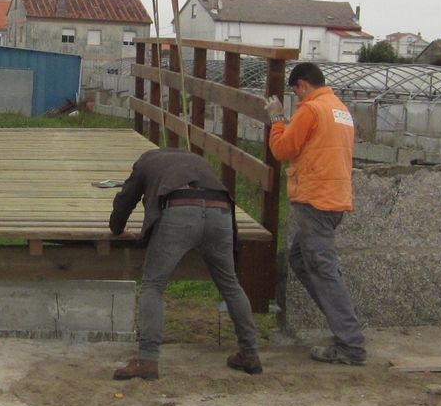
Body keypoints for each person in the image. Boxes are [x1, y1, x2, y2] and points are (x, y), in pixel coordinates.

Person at [109, 148, 262, 381]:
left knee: (153, 285)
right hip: (221, 212)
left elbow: (126, 199)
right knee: (231, 285)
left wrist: (117, 229)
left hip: (179, 211)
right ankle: (250, 353)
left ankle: (147, 358)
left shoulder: (146, 161)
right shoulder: (198, 160)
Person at [265, 62, 366, 366]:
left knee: (322, 270)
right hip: (334, 200)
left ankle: (351, 343)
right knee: (301, 260)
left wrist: (277, 120)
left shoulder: (311, 110)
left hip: (315, 201)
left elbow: (283, 150)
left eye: (296, 94)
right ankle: (348, 322)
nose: (296, 100)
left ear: (302, 85)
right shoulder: (339, 109)